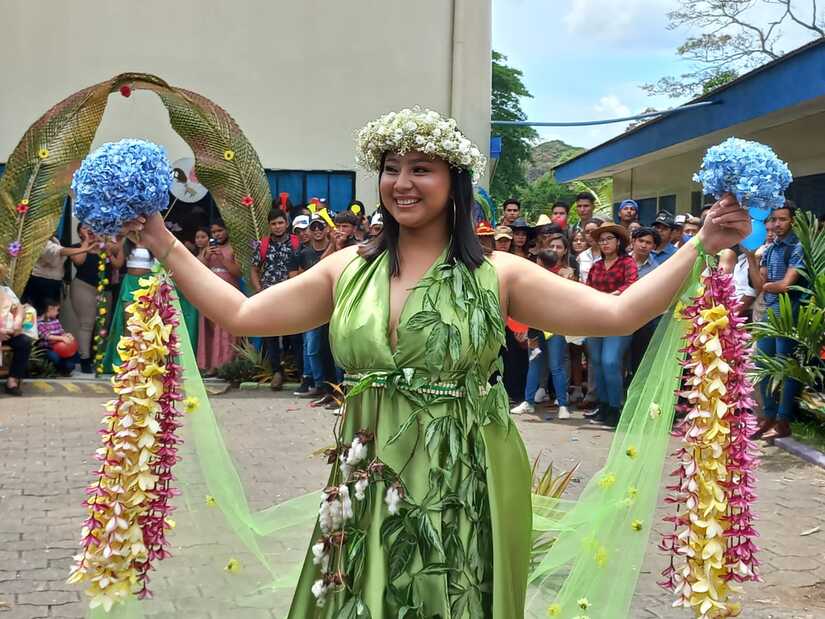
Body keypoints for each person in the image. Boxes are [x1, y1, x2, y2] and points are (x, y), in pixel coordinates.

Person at [127, 106, 748, 617]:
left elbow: (616, 316)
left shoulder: (499, 274)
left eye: (421, 168)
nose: (402, 182)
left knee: (458, 591)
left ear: (455, 182)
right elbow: (241, 315)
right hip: (372, 470)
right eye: (391, 168)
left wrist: (701, 242)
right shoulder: (346, 269)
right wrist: (162, 239)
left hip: (472, 466)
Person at [750, 202, 804, 440]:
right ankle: (768, 416)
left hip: (790, 315)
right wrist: (750, 257)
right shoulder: (770, 249)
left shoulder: (798, 247)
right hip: (770, 314)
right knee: (763, 366)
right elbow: (760, 285)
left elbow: (785, 285)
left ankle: (783, 420)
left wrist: (772, 286)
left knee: (786, 368)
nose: (776, 224)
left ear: (792, 221)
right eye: (773, 220)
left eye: (782, 219)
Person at [583, 223, 638, 428]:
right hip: (596, 319)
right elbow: (587, 289)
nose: (604, 243)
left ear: (619, 242)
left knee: (610, 362)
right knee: (596, 362)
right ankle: (603, 405)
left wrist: (609, 297)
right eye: (602, 240)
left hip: (619, 319)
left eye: (609, 239)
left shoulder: (627, 262)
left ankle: (616, 408)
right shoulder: (596, 266)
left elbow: (631, 284)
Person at [510, 250, 573, 420]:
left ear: (538, 260)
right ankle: (529, 402)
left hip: (554, 329)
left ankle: (562, 404)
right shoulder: (531, 278)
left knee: (554, 366)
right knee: (536, 364)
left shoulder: (562, 278)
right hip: (536, 329)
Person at [251, 209, 297, 390]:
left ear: (286, 223)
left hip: (291, 295)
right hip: (268, 296)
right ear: (269, 225)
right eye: (273, 224)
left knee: (293, 334)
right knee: (270, 335)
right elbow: (254, 269)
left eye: (280, 223)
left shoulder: (296, 242)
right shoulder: (262, 245)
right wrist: (259, 290)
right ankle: (277, 371)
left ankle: (296, 370)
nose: (277, 227)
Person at [290, 215, 332, 398]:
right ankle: (319, 384)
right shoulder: (303, 253)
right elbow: (296, 279)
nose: (316, 231)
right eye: (313, 228)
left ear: (326, 229)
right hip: (310, 306)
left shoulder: (337, 250)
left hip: (332, 306)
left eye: (320, 227)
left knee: (329, 349)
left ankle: (330, 387)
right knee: (312, 348)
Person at [70, 225, 118, 374]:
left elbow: (118, 254)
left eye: (92, 227)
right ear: (79, 232)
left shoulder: (106, 245)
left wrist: (103, 242)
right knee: (87, 323)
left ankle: (100, 360)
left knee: (103, 325)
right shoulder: (76, 247)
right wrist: (86, 241)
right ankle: (84, 359)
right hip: (84, 287)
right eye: (84, 228)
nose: (89, 230)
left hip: (105, 290)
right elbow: (78, 261)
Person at [196, 220, 242, 375]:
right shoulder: (207, 250)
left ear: (227, 231)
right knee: (209, 326)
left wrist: (222, 258)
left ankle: (225, 364)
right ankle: (210, 364)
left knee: (225, 327)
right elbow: (197, 269)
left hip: (228, 290)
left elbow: (238, 272)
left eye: (220, 231)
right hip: (209, 290)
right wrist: (206, 257)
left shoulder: (233, 248)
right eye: (214, 232)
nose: (217, 234)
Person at [23, 235, 93, 314]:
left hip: (55, 282)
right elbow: (59, 251)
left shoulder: (55, 239)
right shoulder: (39, 240)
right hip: (41, 282)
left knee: (53, 313)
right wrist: (86, 248)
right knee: (39, 313)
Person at [628, 227, 661, 377]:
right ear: (633, 241)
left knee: (640, 356)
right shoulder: (620, 262)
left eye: (648, 242)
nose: (643, 245)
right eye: (640, 241)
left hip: (645, 320)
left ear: (654, 247)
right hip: (619, 314)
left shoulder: (658, 269)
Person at [0, 264, 34, 396]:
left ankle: (12, 380)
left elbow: (19, 307)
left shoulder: (5, 290)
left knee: (24, 342)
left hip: (7, 332)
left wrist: (18, 321)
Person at [37, 298, 77, 376]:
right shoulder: (39, 323)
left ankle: (64, 368)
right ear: (50, 309)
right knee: (55, 358)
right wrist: (61, 338)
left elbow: (61, 332)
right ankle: (55, 369)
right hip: (48, 349)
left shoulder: (56, 321)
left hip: (61, 348)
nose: (58, 312)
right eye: (57, 310)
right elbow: (47, 336)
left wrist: (67, 335)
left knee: (71, 364)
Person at [576, 217, 603, 284]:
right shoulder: (582, 256)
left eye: (594, 231)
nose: (591, 235)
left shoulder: (610, 254)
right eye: (587, 232)